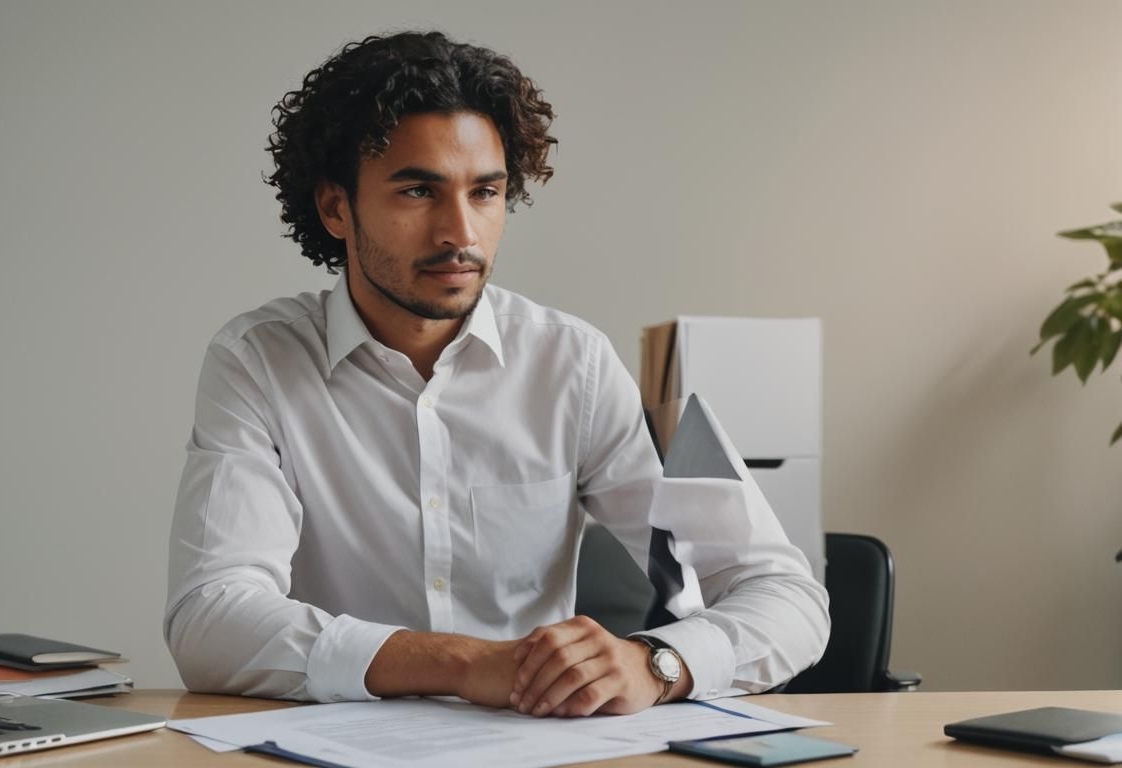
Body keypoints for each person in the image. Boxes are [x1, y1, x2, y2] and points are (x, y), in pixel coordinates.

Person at [165, 30, 828, 718]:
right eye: (419, 191)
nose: (461, 233)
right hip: (331, 752)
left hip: (540, 747)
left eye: (485, 191)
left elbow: (785, 594)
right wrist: (465, 663)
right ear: (336, 207)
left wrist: (658, 662)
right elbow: (210, 618)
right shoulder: (258, 361)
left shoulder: (574, 364)